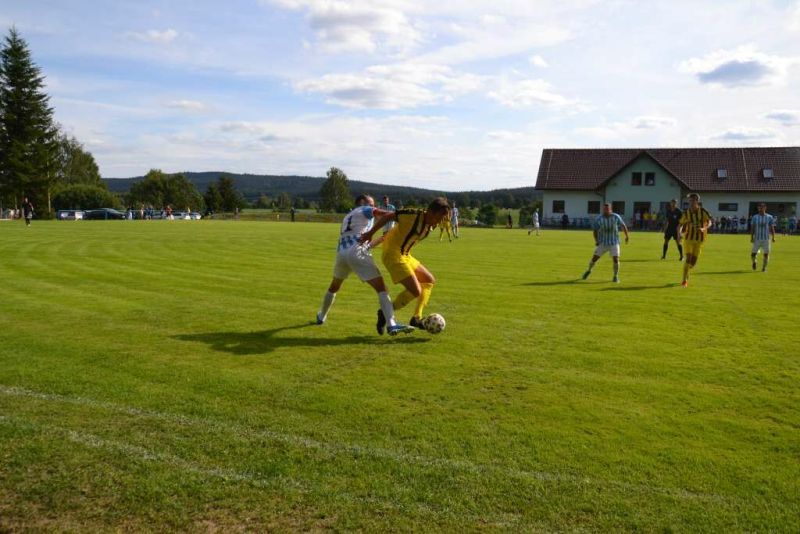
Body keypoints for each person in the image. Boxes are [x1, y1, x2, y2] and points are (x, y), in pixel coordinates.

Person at [316, 194, 413, 336]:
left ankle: (321, 316)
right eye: (371, 203)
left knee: (334, 287)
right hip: (356, 251)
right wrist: (400, 216)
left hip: (342, 254)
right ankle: (392, 324)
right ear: (362, 202)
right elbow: (380, 213)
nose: (373, 206)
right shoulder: (364, 209)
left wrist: (381, 239)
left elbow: (361, 238)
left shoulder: (348, 216)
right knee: (382, 288)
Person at [360, 197, 450, 330]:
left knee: (429, 280)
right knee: (415, 290)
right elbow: (388, 216)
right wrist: (370, 233)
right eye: (438, 217)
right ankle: (385, 312)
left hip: (405, 255)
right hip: (392, 254)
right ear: (430, 211)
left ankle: (416, 318)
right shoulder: (412, 215)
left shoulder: (432, 224)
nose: (439, 221)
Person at [582, 202, 629, 283]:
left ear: (610, 209)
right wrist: (596, 241)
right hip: (603, 243)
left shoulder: (616, 216)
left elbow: (623, 225)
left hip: (614, 242)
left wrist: (627, 236)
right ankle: (589, 270)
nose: (605, 210)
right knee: (594, 259)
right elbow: (595, 230)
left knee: (616, 259)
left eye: (607, 209)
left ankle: (615, 276)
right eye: (604, 209)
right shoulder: (599, 219)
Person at [678, 193, 712, 287]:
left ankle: (687, 272)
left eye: (693, 200)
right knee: (688, 258)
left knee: (693, 263)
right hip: (688, 239)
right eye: (690, 200)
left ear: (697, 201)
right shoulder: (686, 213)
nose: (691, 202)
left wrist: (704, 229)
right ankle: (684, 280)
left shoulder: (703, 211)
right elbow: (680, 224)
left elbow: (710, 222)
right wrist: (679, 234)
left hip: (699, 240)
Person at [750, 203, 776, 272]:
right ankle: (754, 262)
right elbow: (753, 227)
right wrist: (751, 237)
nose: (761, 209)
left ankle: (764, 268)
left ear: (765, 208)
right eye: (759, 207)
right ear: (758, 208)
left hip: (766, 239)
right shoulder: (755, 217)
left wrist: (773, 237)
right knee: (753, 254)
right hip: (757, 239)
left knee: (766, 254)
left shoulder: (769, 217)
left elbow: (772, 227)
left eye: (762, 207)